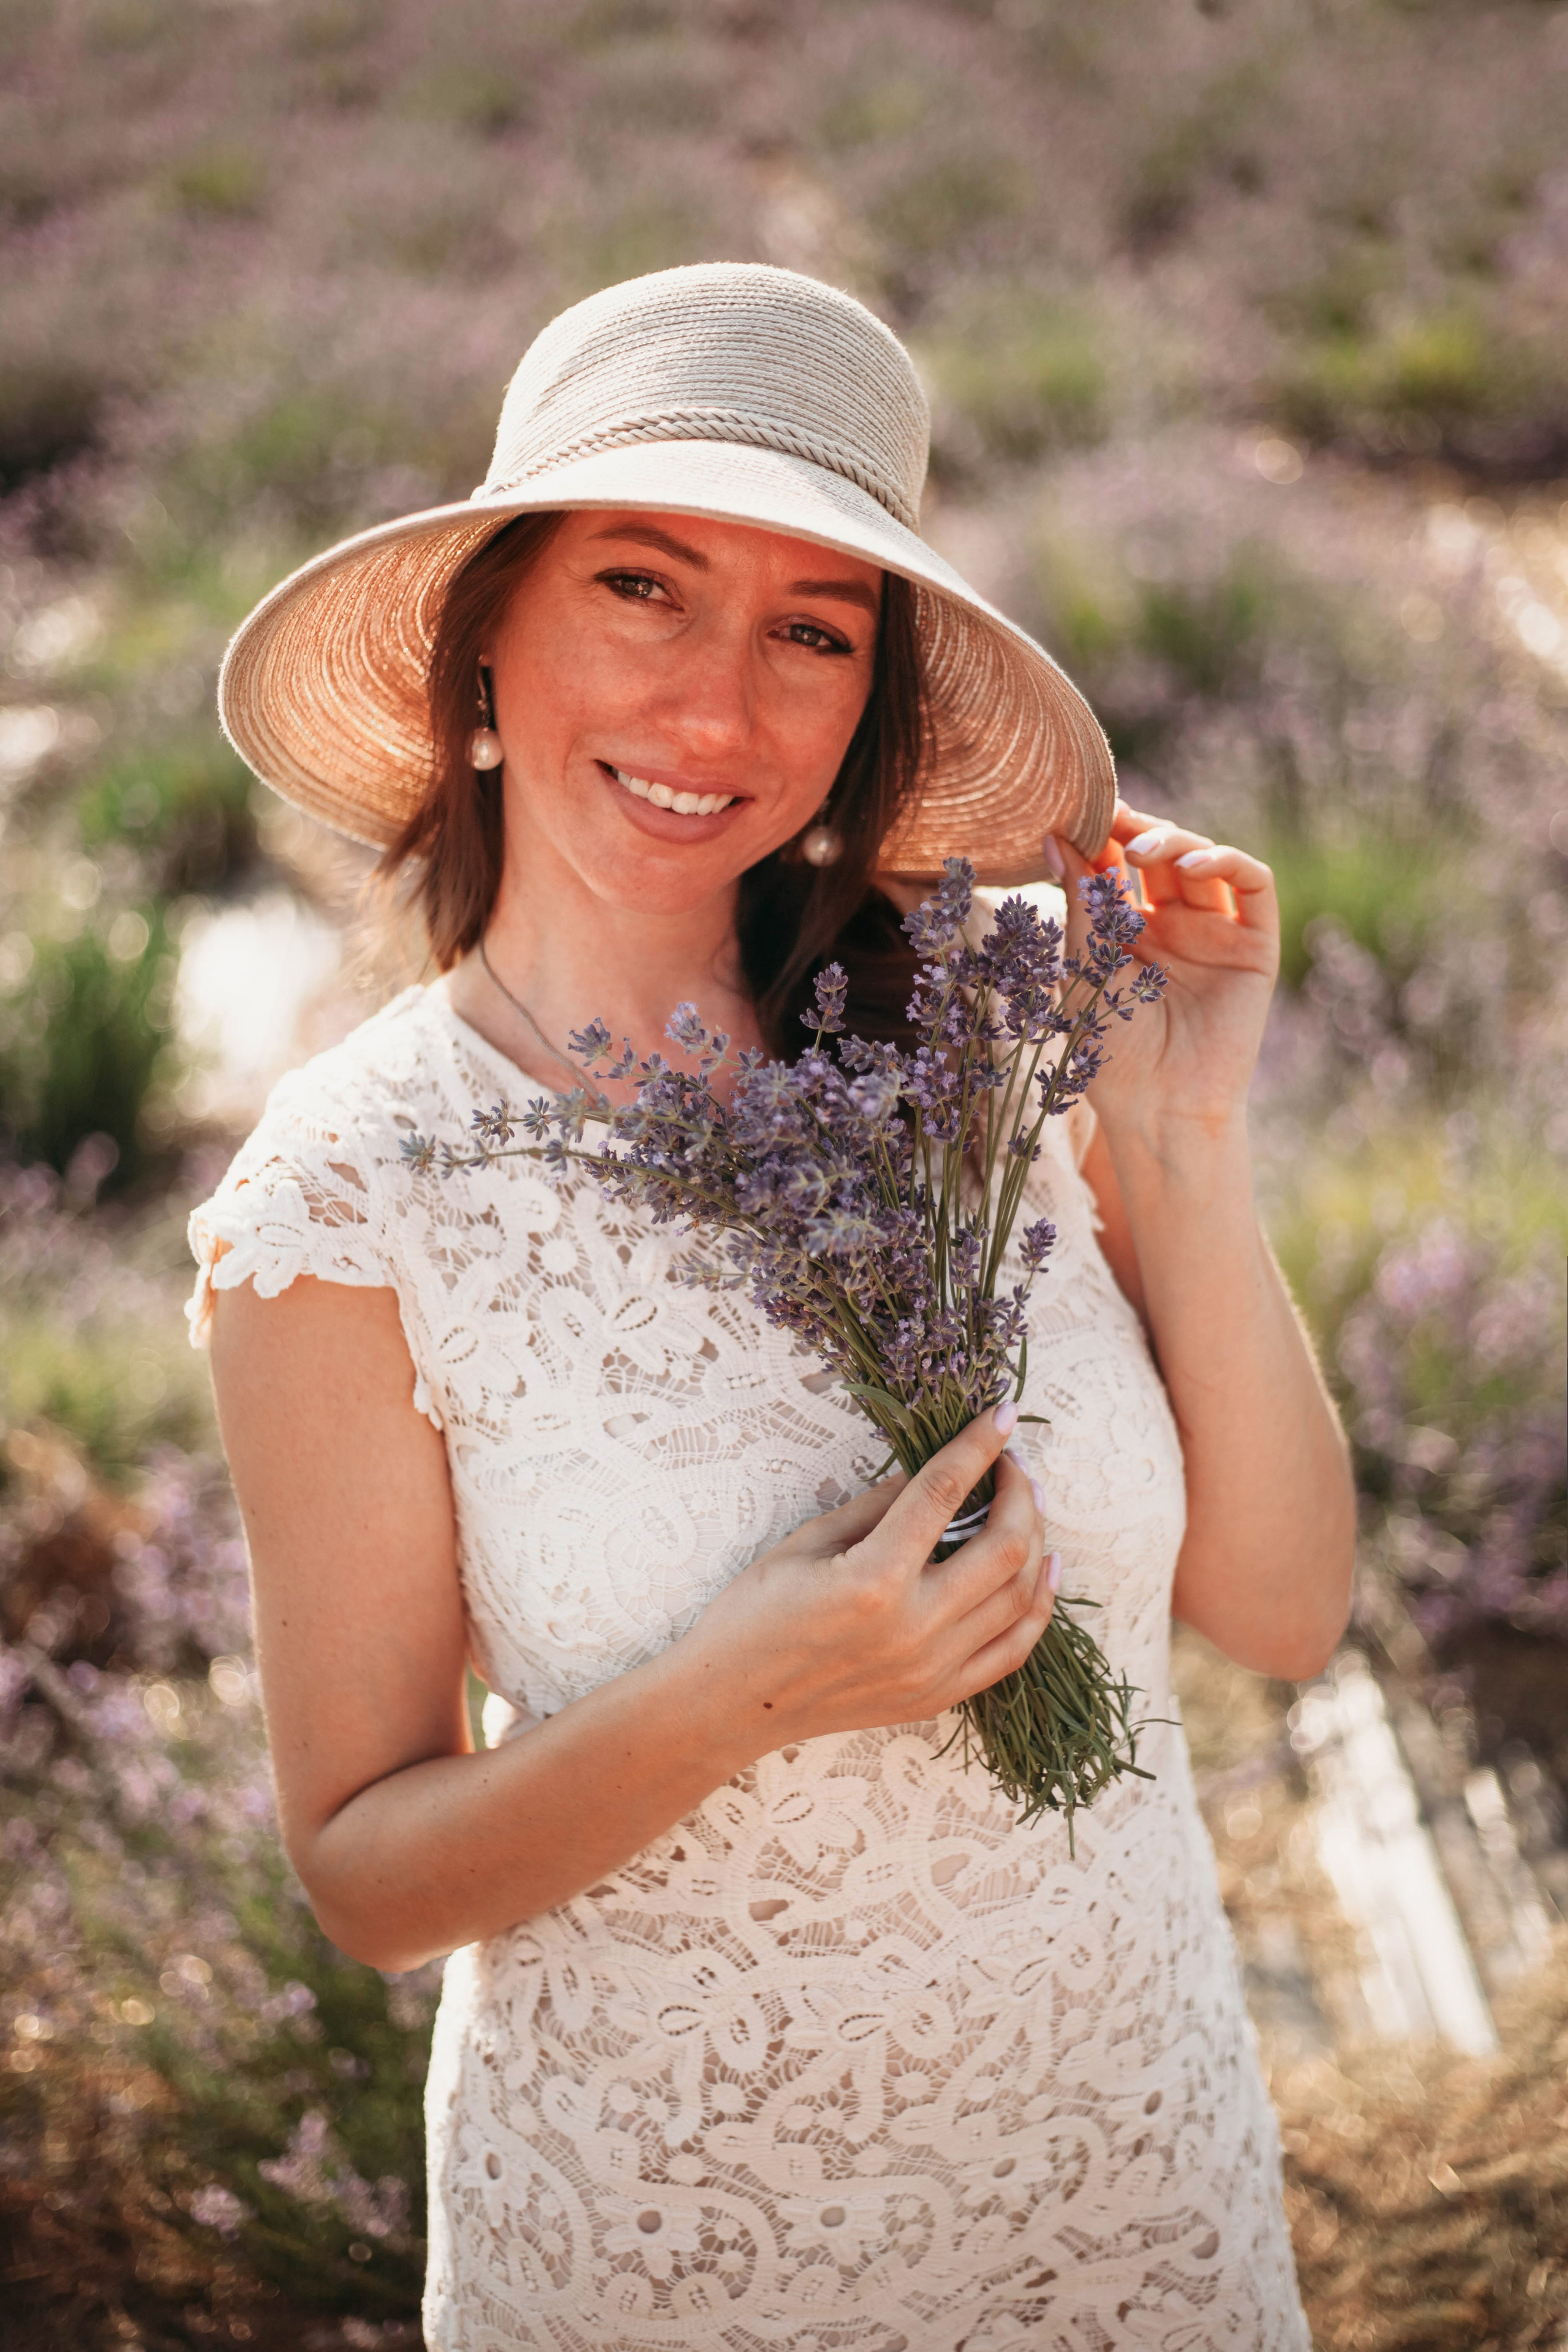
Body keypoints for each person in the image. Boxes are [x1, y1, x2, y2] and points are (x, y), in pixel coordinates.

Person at [189, 263, 1353, 2351]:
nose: (718, 711)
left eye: (812, 630)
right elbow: (370, 1880)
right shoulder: (349, 1194)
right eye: (643, 587)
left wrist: (1178, 1136)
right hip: (670, 2257)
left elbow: (1280, 1614)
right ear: (484, 649)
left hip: (1129, 2195)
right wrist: (753, 1686)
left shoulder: (981, 1022)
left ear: (866, 704)